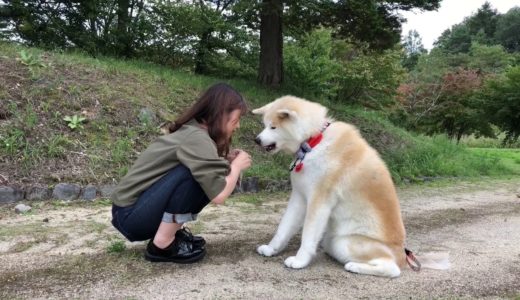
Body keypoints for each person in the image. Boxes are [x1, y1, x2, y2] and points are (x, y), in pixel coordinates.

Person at [111, 83, 252, 263]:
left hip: (129, 212)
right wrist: (237, 167)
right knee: (192, 174)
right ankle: (162, 245)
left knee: (202, 172)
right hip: (131, 217)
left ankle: (171, 234)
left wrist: (226, 162)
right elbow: (219, 195)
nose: (238, 125)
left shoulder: (194, 132)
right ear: (221, 113)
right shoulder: (197, 138)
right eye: (236, 119)